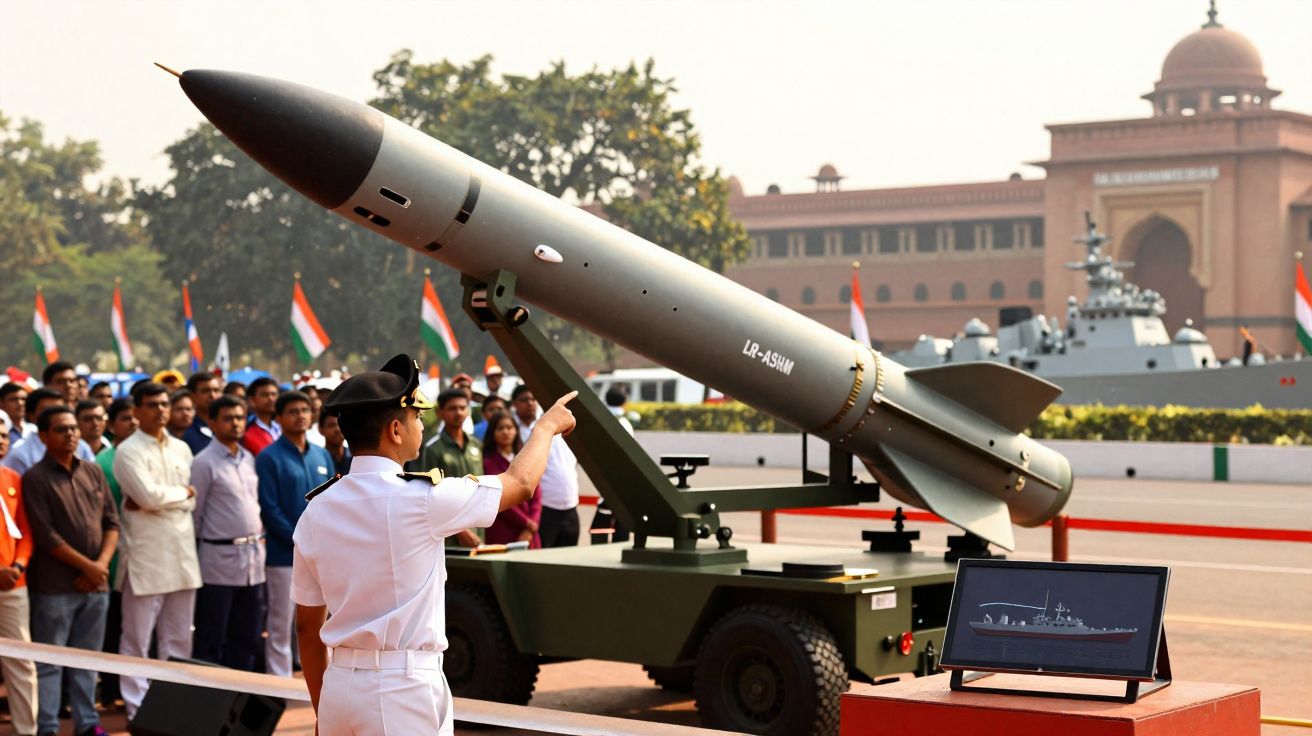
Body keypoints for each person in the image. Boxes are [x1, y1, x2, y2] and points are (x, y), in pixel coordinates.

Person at [291, 354, 575, 735]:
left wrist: (323, 709)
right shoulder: (424, 499)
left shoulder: (317, 509)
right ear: (395, 430)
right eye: (416, 418)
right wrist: (545, 428)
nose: (421, 426)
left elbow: (308, 629)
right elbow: (521, 483)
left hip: (340, 685)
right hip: (400, 687)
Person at [23, 405, 119, 736]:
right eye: (61, 429)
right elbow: (46, 535)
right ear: (43, 436)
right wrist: (90, 567)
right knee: (49, 664)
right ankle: (48, 726)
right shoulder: (35, 478)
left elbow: (112, 522)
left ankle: (87, 723)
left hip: (95, 585)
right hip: (55, 587)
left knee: (88, 661)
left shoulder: (92, 472)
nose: (70, 434)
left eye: (73, 428)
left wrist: (100, 566)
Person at [112, 382, 201, 720]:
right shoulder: (128, 450)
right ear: (136, 410)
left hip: (181, 554)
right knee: (136, 640)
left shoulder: (181, 448)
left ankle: (173, 709)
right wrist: (182, 494)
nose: (161, 409)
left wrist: (168, 497)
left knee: (179, 640)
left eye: (164, 403)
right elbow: (148, 497)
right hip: (146, 558)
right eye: (152, 404)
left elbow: (188, 499)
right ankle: (137, 711)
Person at [256, 391, 332, 677]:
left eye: (304, 410)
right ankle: (279, 681)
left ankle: (319, 678)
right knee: (281, 621)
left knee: (319, 620)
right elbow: (269, 507)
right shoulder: (268, 457)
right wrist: (299, 539)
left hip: (320, 554)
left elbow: (330, 501)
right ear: (279, 418)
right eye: (292, 411)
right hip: (282, 554)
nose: (300, 415)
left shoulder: (321, 454)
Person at [191, 396, 266, 671]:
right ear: (211, 422)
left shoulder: (248, 458)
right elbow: (194, 515)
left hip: (253, 561)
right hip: (218, 562)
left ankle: (239, 700)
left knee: (247, 637)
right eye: (227, 418)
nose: (235, 423)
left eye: (239, 417)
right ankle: (209, 703)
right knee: (212, 636)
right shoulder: (203, 462)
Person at [95, 397, 136, 710]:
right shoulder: (104, 460)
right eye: (124, 418)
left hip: (141, 548)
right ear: (111, 425)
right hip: (113, 548)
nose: (132, 422)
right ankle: (110, 688)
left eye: (134, 417)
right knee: (113, 624)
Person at [0, 429, 38, 736]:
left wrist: (19, 564)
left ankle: (26, 731)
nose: (1, 440)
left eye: (3, 435)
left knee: (21, 663)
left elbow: (25, 531)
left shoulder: (13, 478)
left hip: (14, 585)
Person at [511, 385, 580, 547]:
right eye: (524, 400)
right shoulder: (514, 431)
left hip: (570, 506)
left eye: (533, 399)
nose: (530, 403)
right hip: (544, 509)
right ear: (514, 404)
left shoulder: (554, 426)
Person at [415, 389, 483, 547]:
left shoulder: (476, 445)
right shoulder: (432, 448)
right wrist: (461, 531)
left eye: (462, 407)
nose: (458, 412)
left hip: (478, 525)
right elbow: (429, 495)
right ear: (440, 412)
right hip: (450, 532)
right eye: (452, 408)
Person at [3, 388, 97, 475]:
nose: (57, 416)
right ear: (31, 415)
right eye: (47, 411)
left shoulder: (81, 446)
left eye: (59, 410)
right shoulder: (20, 454)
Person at [482, 414, 541, 548]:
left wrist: (532, 524)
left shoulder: (524, 459)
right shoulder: (487, 463)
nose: (505, 432)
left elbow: (537, 494)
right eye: (500, 428)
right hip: (503, 528)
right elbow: (499, 497)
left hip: (530, 531)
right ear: (493, 433)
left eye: (509, 427)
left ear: (516, 430)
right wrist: (526, 523)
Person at [590, 387, 633, 543]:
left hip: (603, 473)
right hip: (621, 478)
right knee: (621, 518)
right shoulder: (625, 423)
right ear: (624, 401)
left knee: (603, 513)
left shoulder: (600, 418)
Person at [183, 372, 221, 455]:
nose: (212, 395)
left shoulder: (229, 427)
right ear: (192, 396)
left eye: (216, 390)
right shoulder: (185, 431)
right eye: (205, 391)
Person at [242, 377, 281, 456]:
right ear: (252, 400)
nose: (271, 399)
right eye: (265, 395)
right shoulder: (246, 433)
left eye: (274, 394)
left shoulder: (284, 428)